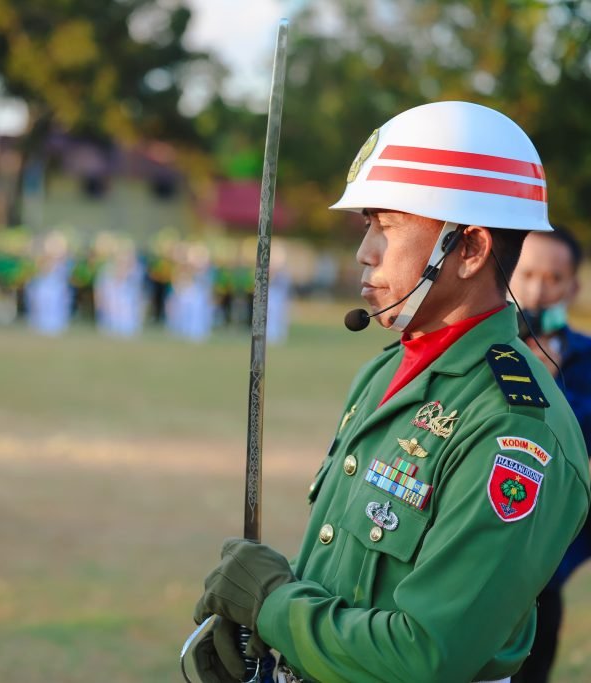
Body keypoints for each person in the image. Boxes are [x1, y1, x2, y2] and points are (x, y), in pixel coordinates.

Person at [191, 101, 590, 683]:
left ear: (472, 250)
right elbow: (346, 575)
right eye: (367, 225)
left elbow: (424, 653)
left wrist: (272, 605)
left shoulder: (515, 428)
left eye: (389, 224)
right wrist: (266, 636)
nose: (365, 250)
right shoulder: (386, 373)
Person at [510, 226, 591, 683]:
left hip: (544, 572)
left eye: (554, 278)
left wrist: (551, 383)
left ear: (573, 286)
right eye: (528, 274)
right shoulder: (486, 349)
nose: (539, 291)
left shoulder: (586, 359)